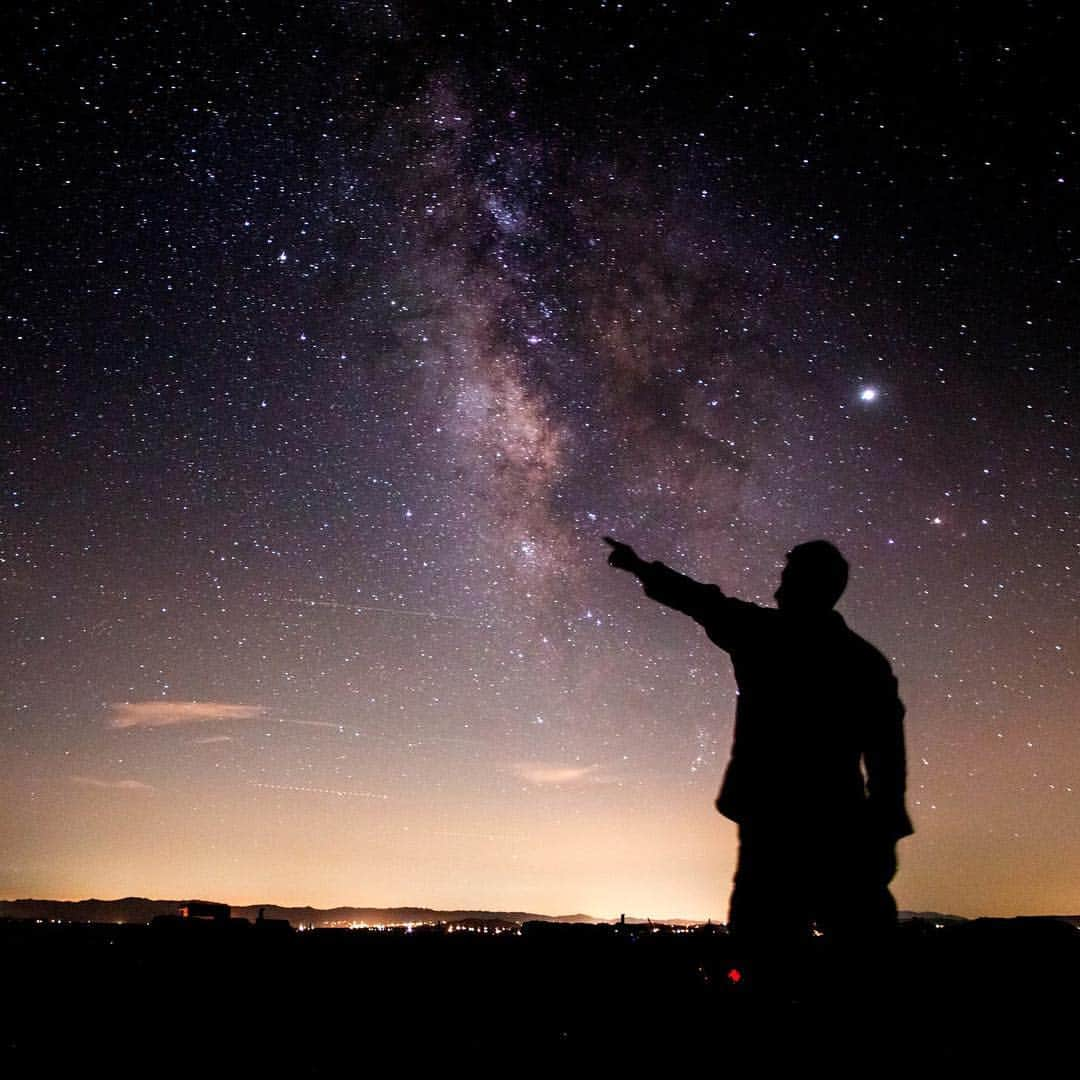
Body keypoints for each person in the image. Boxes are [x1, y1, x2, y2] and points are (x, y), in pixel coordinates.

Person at [604, 536, 913, 988]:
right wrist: (883, 834)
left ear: (808, 584)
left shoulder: (764, 635)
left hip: (776, 826)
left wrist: (640, 568)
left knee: (765, 959)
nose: (780, 584)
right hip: (839, 826)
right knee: (859, 959)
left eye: (788, 576)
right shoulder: (862, 661)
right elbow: (887, 757)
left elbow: (701, 601)